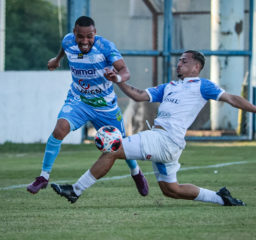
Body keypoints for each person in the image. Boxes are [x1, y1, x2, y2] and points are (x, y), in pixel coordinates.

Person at [51, 50, 256, 205]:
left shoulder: (202, 85)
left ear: (196, 67)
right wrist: (118, 80)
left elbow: (231, 98)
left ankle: (75, 190)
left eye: (184, 61)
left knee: (112, 149)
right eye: (179, 61)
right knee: (171, 190)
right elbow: (139, 95)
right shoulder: (169, 87)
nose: (179, 64)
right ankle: (221, 199)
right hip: (165, 141)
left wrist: (254, 109)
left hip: (165, 140)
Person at [27, 16, 148, 196]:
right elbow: (64, 48)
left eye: (89, 36)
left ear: (95, 34)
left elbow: (125, 71)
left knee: (120, 143)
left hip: (105, 105)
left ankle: (136, 172)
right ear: (74, 33)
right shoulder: (68, 41)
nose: (85, 41)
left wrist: (117, 78)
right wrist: (57, 59)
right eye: (80, 36)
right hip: (79, 100)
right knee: (60, 129)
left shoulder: (105, 47)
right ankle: (43, 177)